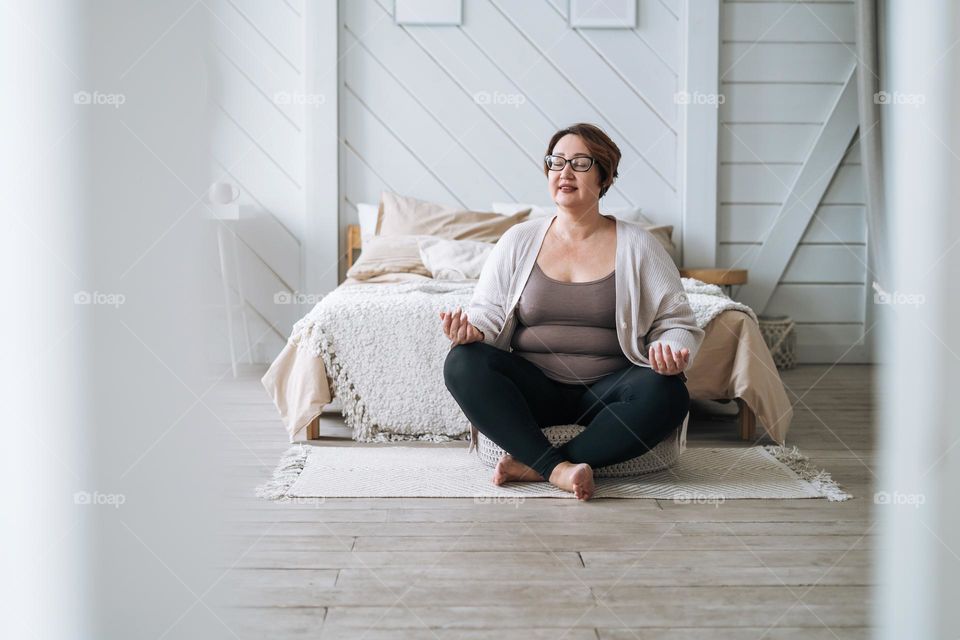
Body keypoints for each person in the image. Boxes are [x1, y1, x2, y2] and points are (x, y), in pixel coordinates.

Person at [440, 123, 703, 501]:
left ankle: (537, 465)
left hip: (608, 392)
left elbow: (676, 321)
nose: (565, 172)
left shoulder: (639, 245)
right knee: (462, 362)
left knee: (670, 392)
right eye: (556, 162)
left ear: (604, 176)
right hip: (535, 389)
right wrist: (473, 331)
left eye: (579, 163)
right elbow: (488, 310)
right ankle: (561, 469)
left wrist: (670, 349)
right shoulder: (519, 239)